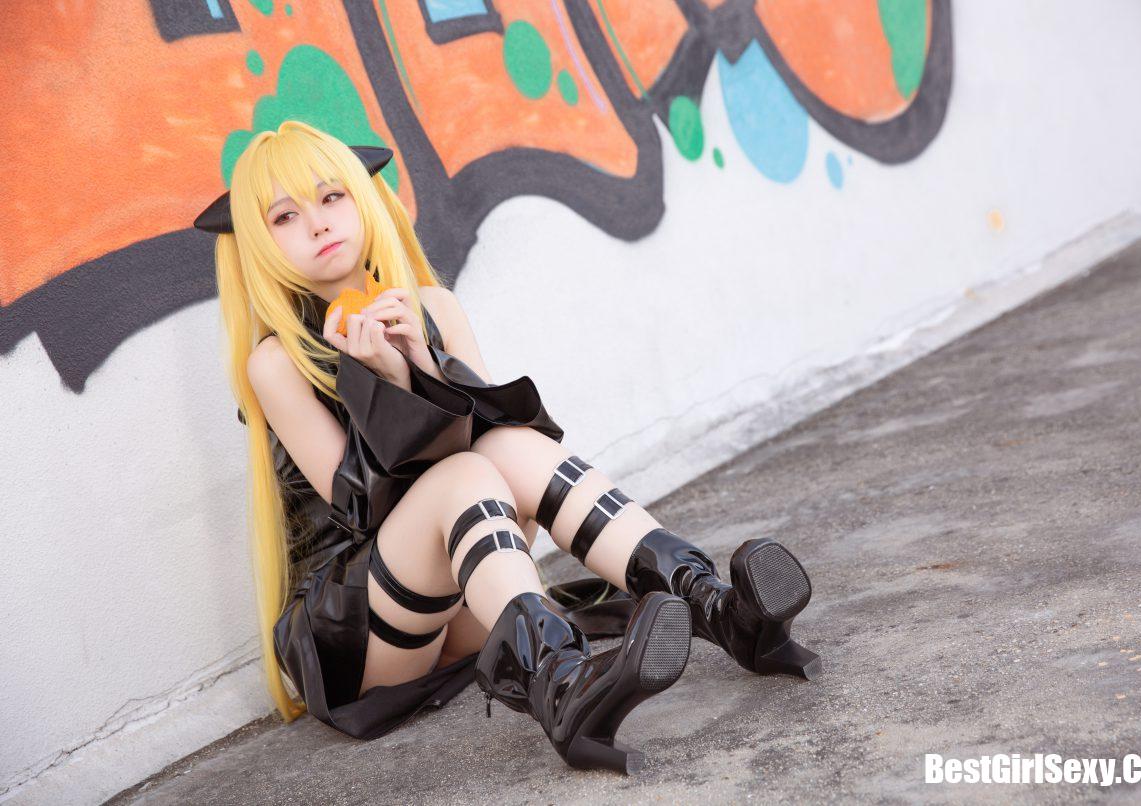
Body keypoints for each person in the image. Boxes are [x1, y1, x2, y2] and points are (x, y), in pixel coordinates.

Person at [192, 120, 821, 774]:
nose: (318, 223)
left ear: (363, 198)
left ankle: (714, 605)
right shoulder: (277, 362)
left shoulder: (433, 308)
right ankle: (562, 685)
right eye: (285, 216)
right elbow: (366, 513)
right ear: (258, 244)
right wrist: (385, 384)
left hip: (462, 617)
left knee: (507, 448)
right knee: (466, 473)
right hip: (360, 637)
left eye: (331, 197)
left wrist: (420, 367)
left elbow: (509, 451)